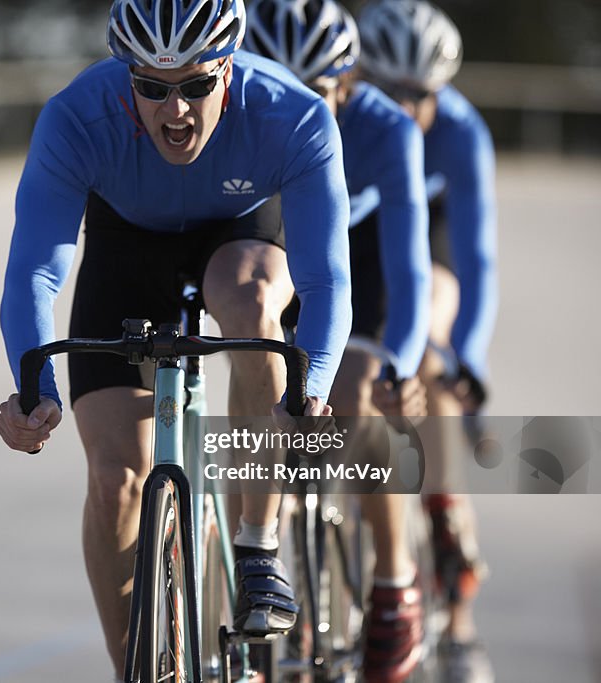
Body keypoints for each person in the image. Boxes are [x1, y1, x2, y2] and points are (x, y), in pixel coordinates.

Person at [0, 0, 352, 677]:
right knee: (114, 480)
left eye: (196, 84)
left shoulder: (293, 114)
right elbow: (33, 273)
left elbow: (327, 281)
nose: (175, 109)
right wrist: (32, 391)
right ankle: (132, 665)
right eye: (152, 87)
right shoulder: (77, 117)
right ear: (125, 74)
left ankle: (256, 546)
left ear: (230, 68)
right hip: (126, 244)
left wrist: (311, 394)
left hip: (239, 233)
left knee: (251, 305)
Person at [244, 1, 430, 680]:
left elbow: (410, 267)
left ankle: (393, 584)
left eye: (312, 93)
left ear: (346, 88)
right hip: (278, 242)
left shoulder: (386, 130)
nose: (287, 107)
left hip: (363, 254)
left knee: (356, 390)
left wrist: (401, 366)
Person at [358, 1, 497, 681]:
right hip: (364, 229)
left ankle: (447, 526)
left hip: (430, 233)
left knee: (432, 342)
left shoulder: (462, 133)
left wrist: (466, 356)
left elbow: (476, 258)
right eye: (392, 92)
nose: (408, 109)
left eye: (424, 96)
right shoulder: (344, 112)